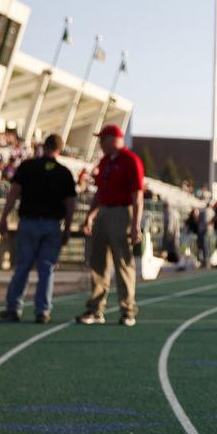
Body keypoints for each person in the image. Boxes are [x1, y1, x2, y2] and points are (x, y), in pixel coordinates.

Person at [0, 134, 78, 323]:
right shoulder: (63, 172)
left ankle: (13, 307)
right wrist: (67, 228)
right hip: (51, 224)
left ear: (43, 146)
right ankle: (42, 310)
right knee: (47, 269)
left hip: (28, 222)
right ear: (60, 149)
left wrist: (4, 218)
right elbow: (70, 204)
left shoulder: (27, 167)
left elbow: (13, 194)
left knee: (23, 266)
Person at [76, 124, 144, 327]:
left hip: (122, 212)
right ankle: (96, 309)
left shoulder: (130, 160)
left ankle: (127, 310)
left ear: (114, 139)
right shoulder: (105, 161)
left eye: (102, 139)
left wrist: (135, 225)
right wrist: (90, 216)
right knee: (98, 263)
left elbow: (137, 195)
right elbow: (100, 193)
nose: (100, 144)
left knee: (122, 263)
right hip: (104, 212)